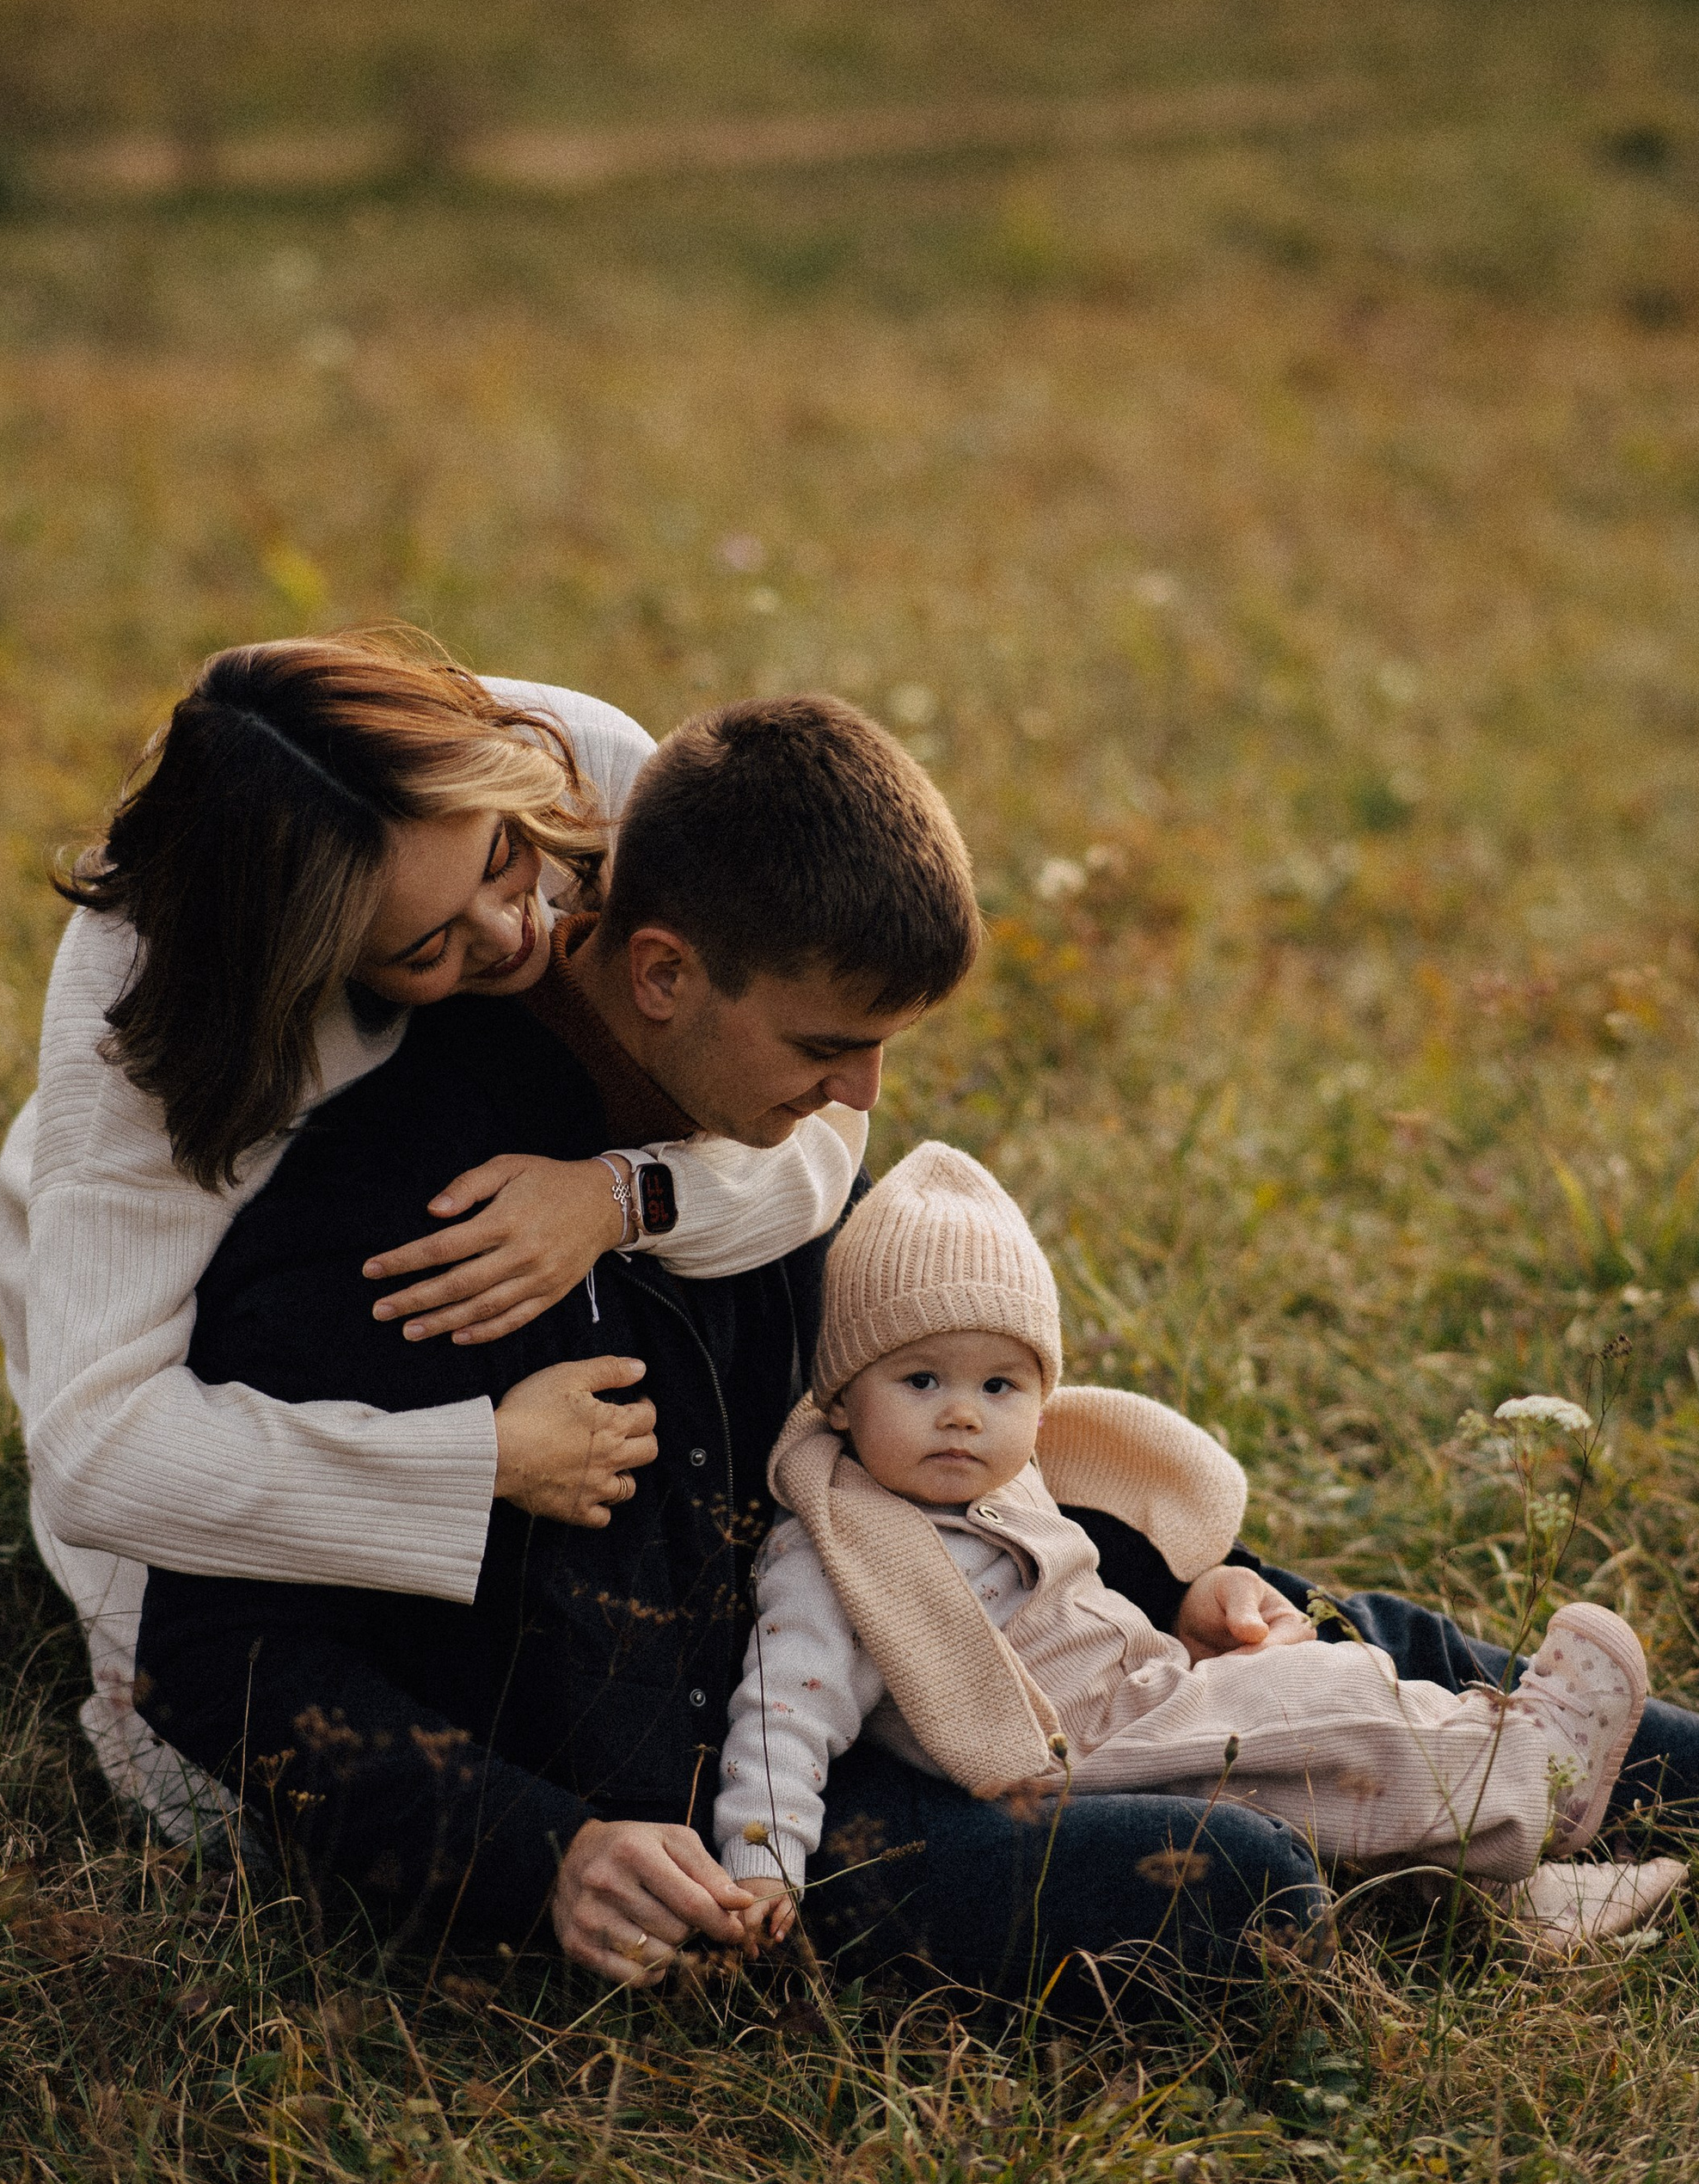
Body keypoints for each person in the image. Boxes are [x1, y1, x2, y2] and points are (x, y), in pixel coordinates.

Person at [127, 696, 1329, 2003]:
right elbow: (209, 1650)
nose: (862, 1094)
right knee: (1239, 1888)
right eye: (829, 1047)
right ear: (662, 974)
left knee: (1345, 1648)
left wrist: (1190, 1589)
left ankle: (1541, 1762)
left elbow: (933, 1423)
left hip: (929, 1655)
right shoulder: (405, 1216)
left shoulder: (762, 1141)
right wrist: (545, 1855)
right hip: (754, 1837)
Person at [0, 632, 863, 1827]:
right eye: (424, 945)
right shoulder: (149, 1019)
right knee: (203, 1779)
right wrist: (481, 1461)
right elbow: (97, 1451)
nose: (512, 936)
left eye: (505, 867)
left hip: (522, 1167)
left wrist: (617, 1198)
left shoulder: (579, 766)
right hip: (176, 1255)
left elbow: (819, 1122)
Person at [715, 1144, 1689, 1955]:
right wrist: (760, 1861)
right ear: (841, 1398)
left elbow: (1107, 1558)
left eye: (1000, 1387)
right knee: (1325, 1705)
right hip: (1072, 1745)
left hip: (1138, 1690)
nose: (963, 1415)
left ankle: (1509, 1902)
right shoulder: (836, 1543)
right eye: (920, 1381)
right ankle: (1535, 1773)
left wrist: (1200, 1590)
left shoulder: (994, 1475)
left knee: (1313, 1747)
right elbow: (781, 1710)